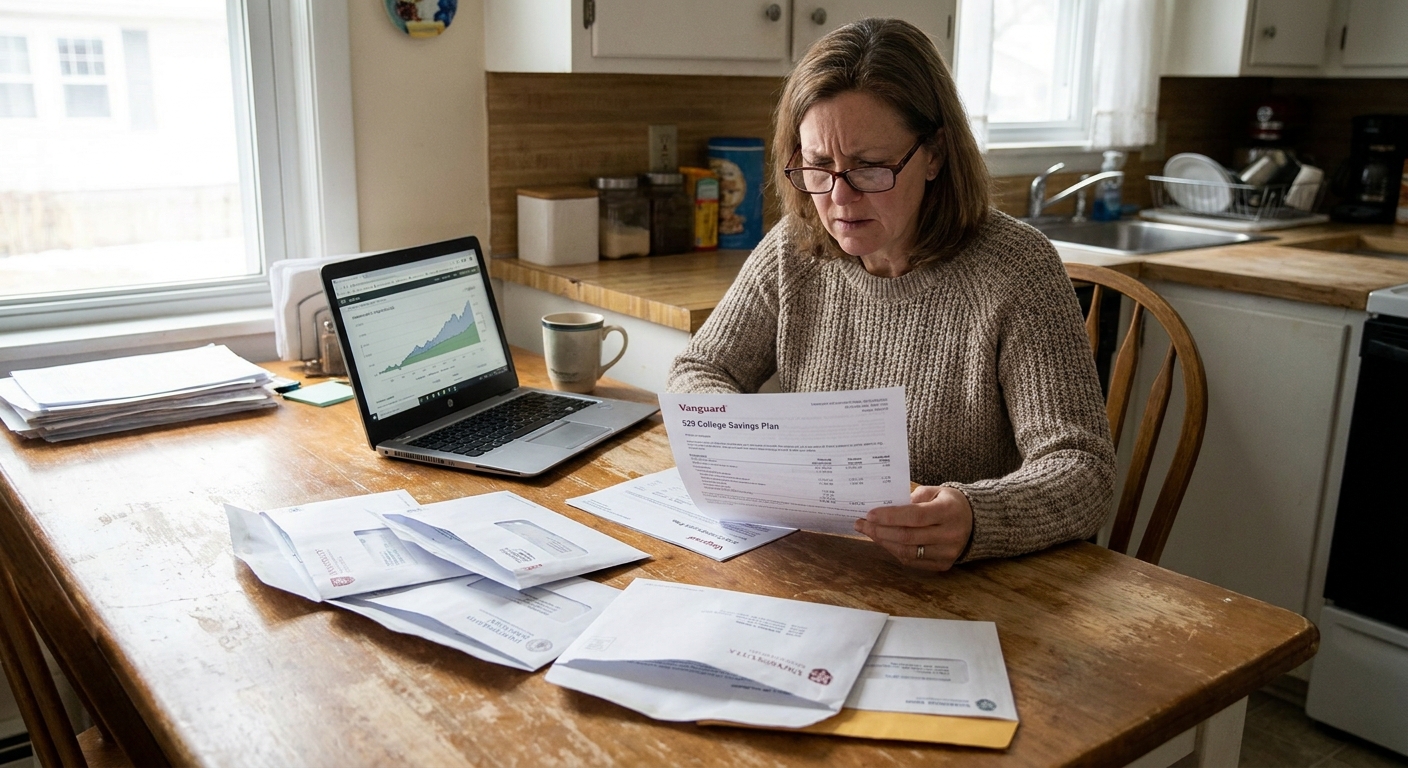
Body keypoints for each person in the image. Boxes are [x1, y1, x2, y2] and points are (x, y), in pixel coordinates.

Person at [666, 18, 1116, 571]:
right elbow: (700, 368)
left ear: (935, 154)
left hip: (971, 584)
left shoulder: (1016, 269)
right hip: (825, 564)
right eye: (819, 166)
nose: (839, 198)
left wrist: (977, 517)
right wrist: (752, 444)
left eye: (870, 168)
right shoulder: (795, 247)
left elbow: (1083, 468)